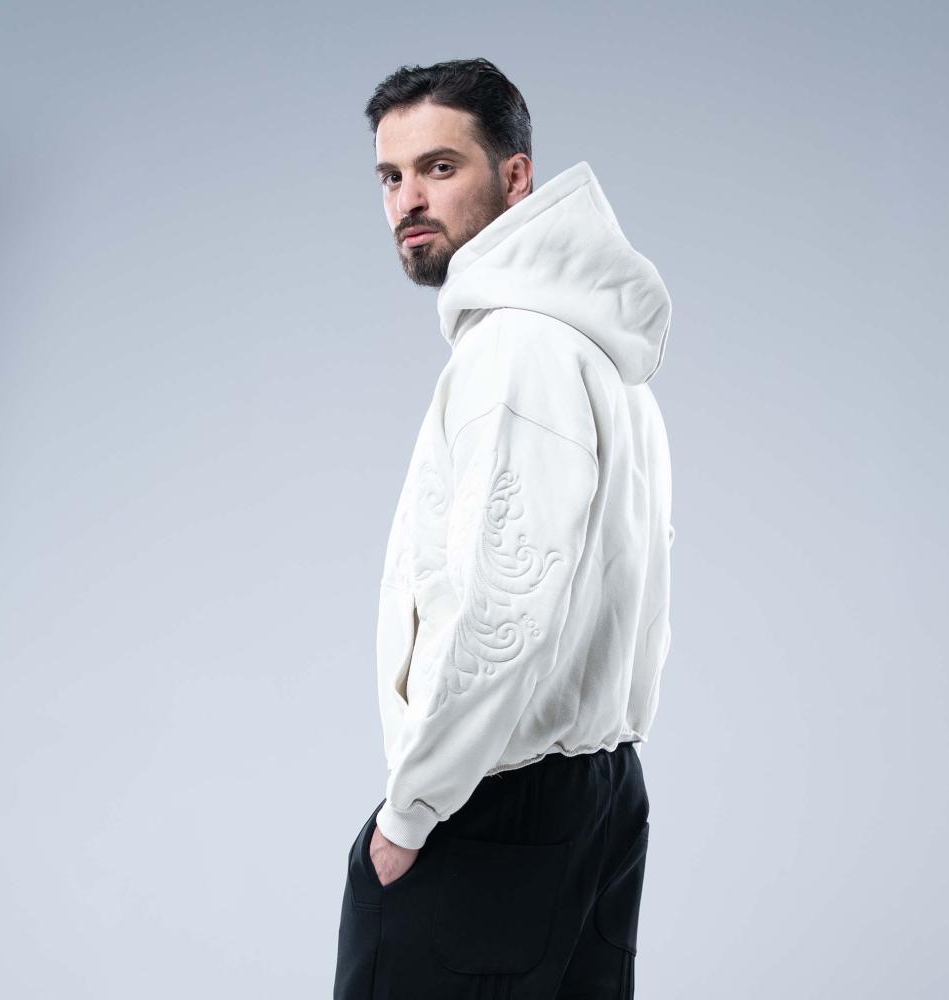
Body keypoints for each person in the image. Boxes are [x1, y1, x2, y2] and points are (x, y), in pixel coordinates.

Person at [334, 57, 675, 999]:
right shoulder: (599, 352)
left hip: (492, 805)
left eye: (439, 168)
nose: (408, 199)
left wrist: (409, 814)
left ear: (516, 176)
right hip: (600, 794)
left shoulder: (517, 349)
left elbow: (503, 612)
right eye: (391, 176)